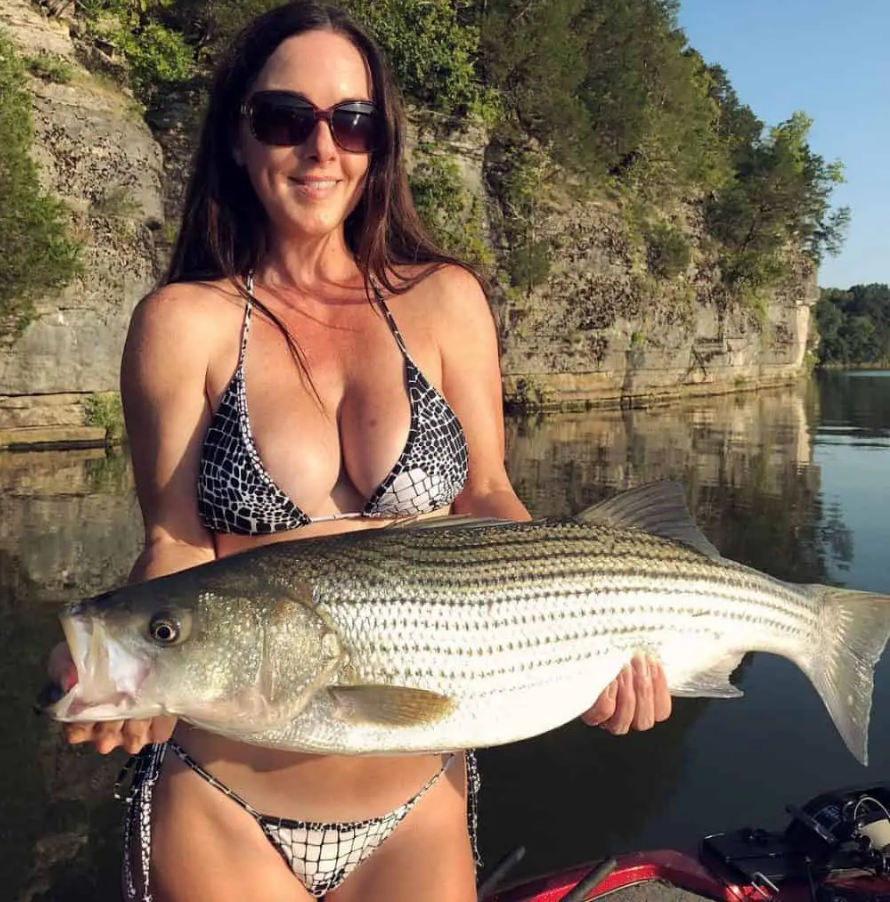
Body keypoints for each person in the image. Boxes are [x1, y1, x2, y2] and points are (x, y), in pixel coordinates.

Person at [48, 3, 672, 900]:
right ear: (237, 137)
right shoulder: (181, 323)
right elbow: (174, 541)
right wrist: (127, 668)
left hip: (417, 800)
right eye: (284, 118)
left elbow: (489, 499)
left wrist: (587, 640)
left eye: (353, 121)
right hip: (225, 797)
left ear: (379, 144)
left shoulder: (447, 299)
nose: (321, 147)